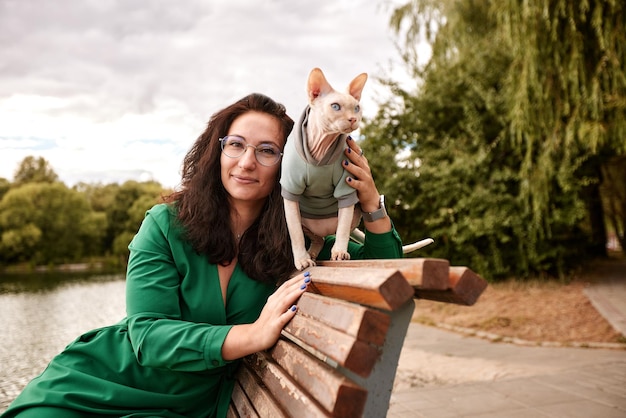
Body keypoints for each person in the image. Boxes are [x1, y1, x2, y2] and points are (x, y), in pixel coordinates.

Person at [2, 93, 403, 418]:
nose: (247, 162)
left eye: (267, 151)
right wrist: (249, 334)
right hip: (95, 385)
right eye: (236, 145)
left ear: (288, 166)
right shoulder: (164, 224)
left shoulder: (295, 239)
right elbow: (146, 336)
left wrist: (370, 203)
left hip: (184, 408)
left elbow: (384, 272)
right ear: (218, 151)